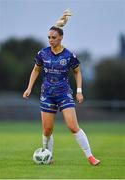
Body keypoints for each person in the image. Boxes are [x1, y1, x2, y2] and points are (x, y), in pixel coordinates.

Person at [23, 9, 100, 166]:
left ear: (61, 38)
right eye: (49, 38)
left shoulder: (69, 55)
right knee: (47, 130)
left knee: (72, 126)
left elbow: (78, 72)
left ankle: (90, 157)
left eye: (54, 37)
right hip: (47, 94)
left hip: (64, 93)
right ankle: (47, 157)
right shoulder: (42, 54)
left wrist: (79, 91)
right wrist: (29, 87)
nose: (50, 40)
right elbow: (36, 69)